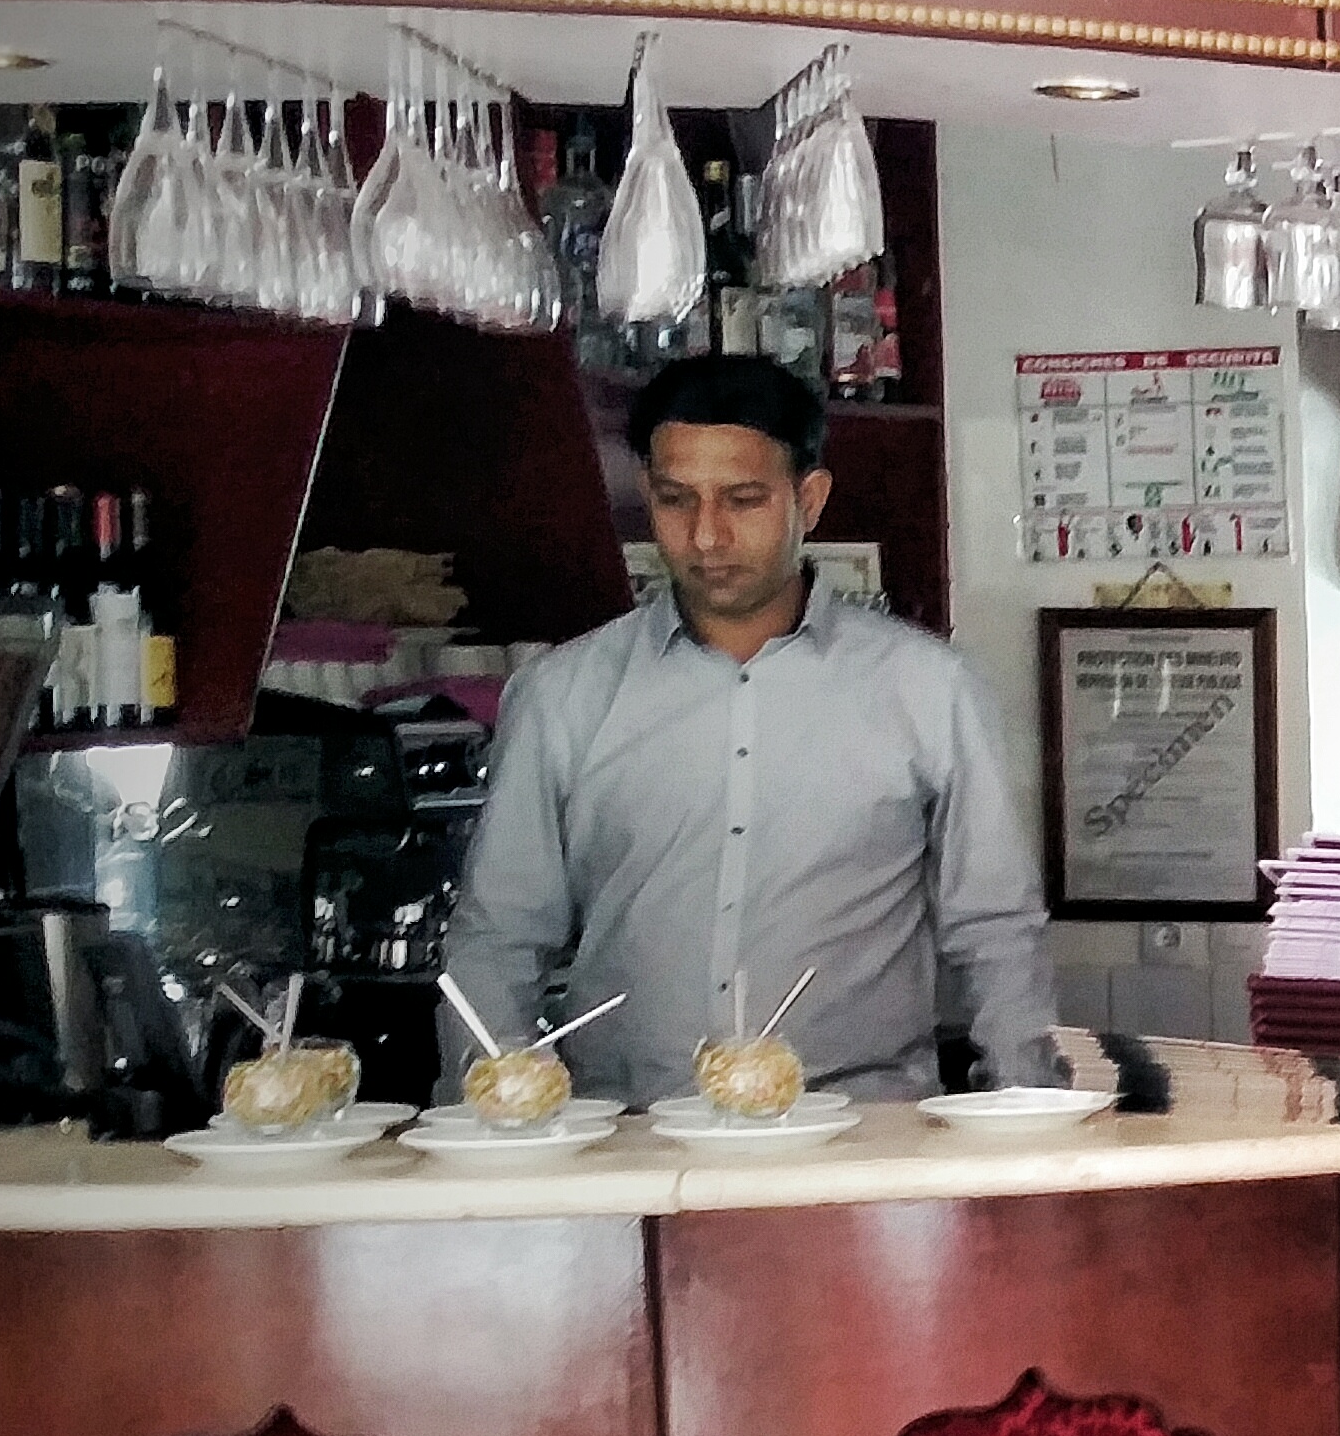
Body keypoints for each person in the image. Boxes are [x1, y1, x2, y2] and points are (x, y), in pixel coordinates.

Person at [451, 354, 1058, 1102]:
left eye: (742, 500)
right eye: (675, 500)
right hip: (633, 1134)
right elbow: (500, 938)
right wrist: (490, 1121)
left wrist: (1027, 1105)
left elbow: (995, 928)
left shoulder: (929, 689)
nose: (706, 536)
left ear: (810, 498)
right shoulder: (563, 695)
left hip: (860, 1133)